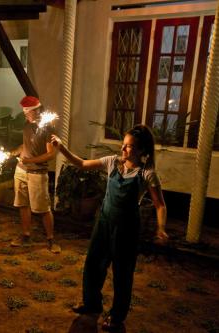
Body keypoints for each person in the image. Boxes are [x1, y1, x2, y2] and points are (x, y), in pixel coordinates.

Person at [51, 124, 168, 332]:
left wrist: (161, 228)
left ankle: (116, 316)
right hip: (104, 223)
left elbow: (160, 205)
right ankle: (91, 304)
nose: (123, 149)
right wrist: (61, 148)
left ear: (141, 150)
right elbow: (82, 163)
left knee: (122, 274)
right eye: (123, 144)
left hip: (127, 230)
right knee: (93, 265)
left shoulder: (147, 174)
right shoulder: (112, 163)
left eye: (129, 146)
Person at [9, 96, 61, 253]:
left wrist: (30, 160)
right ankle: (25, 236)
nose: (25, 114)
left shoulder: (47, 128)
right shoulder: (27, 125)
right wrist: (15, 151)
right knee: (23, 205)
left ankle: (51, 240)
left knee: (43, 208)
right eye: (24, 111)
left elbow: (50, 154)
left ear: (37, 110)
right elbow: (26, 144)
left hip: (37, 173)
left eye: (28, 112)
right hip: (21, 171)